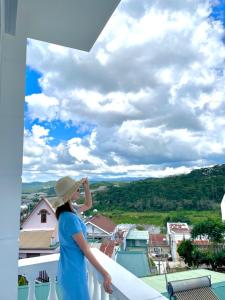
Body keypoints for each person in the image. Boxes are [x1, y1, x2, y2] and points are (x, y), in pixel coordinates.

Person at [55, 176, 112, 300]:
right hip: (73, 270)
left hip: (68, 267)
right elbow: (86, 250)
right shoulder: (70, 218)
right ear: (69, 194)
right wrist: (105, 274)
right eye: (76, 189)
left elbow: (88, 204)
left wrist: (86, 186)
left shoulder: (68, 212)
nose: (78, 191)